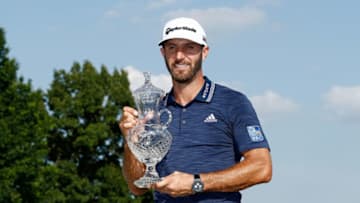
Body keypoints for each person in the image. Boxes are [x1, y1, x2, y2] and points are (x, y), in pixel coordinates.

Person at [119, 17, 272, 203]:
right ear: (163, 53)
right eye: (172, 48)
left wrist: (195, 183)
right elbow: (137, 187)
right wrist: (130, 140)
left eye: (189, 47)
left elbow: (262, 168)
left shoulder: (233, 102)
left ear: (204, 52)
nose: (179, 56)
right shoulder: (155, 112)